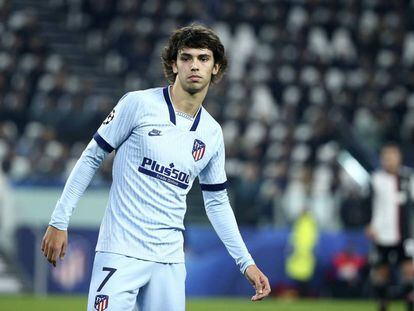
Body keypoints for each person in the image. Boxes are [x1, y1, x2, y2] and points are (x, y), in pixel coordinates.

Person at [41, 24, 271, 311]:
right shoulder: (138, 104)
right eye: (186, 58)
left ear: (216, 67)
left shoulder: (212, 133)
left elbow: (217, 202)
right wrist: (59, 220)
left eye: (203, 58)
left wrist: (245, 261)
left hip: (169, 261)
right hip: (120, 251)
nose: (194, 66)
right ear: (173, 64)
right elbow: (91, 158)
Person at [365, 143, 414, 311]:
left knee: (409, 270)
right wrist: (369, 224)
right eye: (386, 157)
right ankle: (383, 304)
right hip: (381, 234)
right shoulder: (375, 179)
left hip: (405, 234)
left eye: (392, 156)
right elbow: (368, 205)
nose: (389, 160)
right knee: (381, 273)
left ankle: (410, 302)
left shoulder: (408, 178)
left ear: (399, 157)